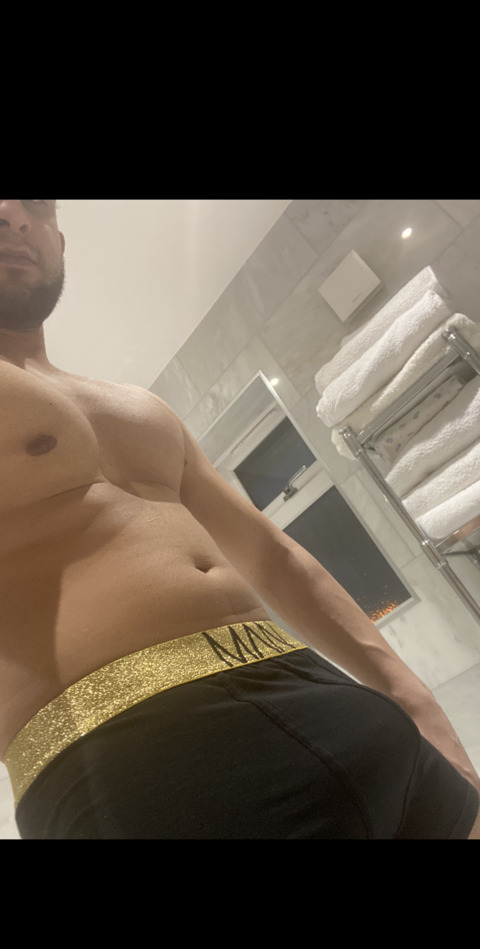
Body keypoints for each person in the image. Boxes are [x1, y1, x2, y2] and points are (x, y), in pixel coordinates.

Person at [0, 198, 479, 841]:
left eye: (35, 202)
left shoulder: (139, 408)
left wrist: (415, 702)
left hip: (325, 696)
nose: (13, 214)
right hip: (123, 760)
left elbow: (273, 556)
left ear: (59, 237)